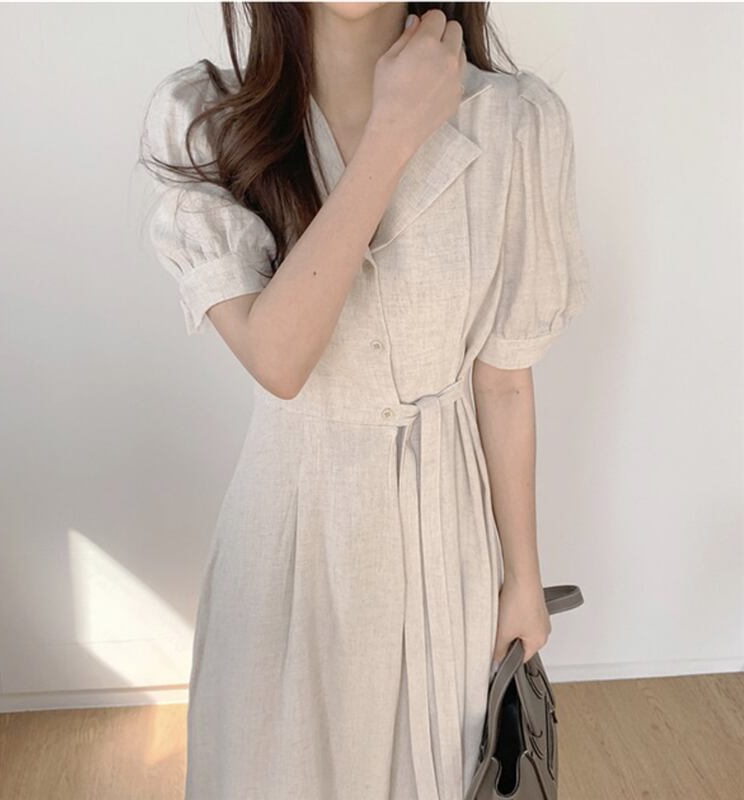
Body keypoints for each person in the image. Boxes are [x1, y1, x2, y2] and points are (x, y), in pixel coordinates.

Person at [138, 3, 591, 798]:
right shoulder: (207, 118)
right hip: (290, 538)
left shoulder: (516, 123)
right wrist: (393, 133)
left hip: (446, 539)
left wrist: (524, 578)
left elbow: (503, 382)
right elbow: (280, 360)